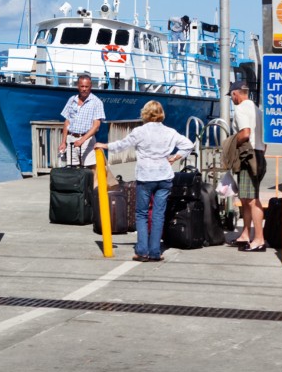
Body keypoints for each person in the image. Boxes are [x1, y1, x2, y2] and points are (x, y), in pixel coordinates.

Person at [97, 99, 194, 262]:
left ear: (146, 114)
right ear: (161, 114)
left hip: (146, 176)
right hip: (164, 176)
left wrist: (104, 146)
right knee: (158, 214)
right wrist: (176, 157)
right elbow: (188, 145)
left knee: (141, 214)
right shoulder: (170, 132)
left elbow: (122, 145)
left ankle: (142, 251)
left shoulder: (140, 131)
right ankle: (155, 251)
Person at [226, 82, 264, 251]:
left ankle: (259, 239)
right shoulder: (258, 110)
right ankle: (245, 235)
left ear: (236, 94)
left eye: (232, 96)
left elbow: (245, 133)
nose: (232, 99)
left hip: (248, 156)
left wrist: (232, 143)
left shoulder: (240, 109)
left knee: (252, 199)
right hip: (259, 154)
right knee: (245, 198)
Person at [60, 73, 104, 166]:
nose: (84, 89)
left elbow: (96, 125)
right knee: (72, 168)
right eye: (82, 86)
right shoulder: (72, 100)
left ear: (90, 86)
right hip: (71, 139)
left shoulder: (96, 102)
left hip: (87, 140)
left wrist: (82, 140)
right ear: (78, 86)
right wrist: (63, 142)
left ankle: (90, 181)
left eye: (86, 86)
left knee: (89, 168)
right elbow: (67, 122)